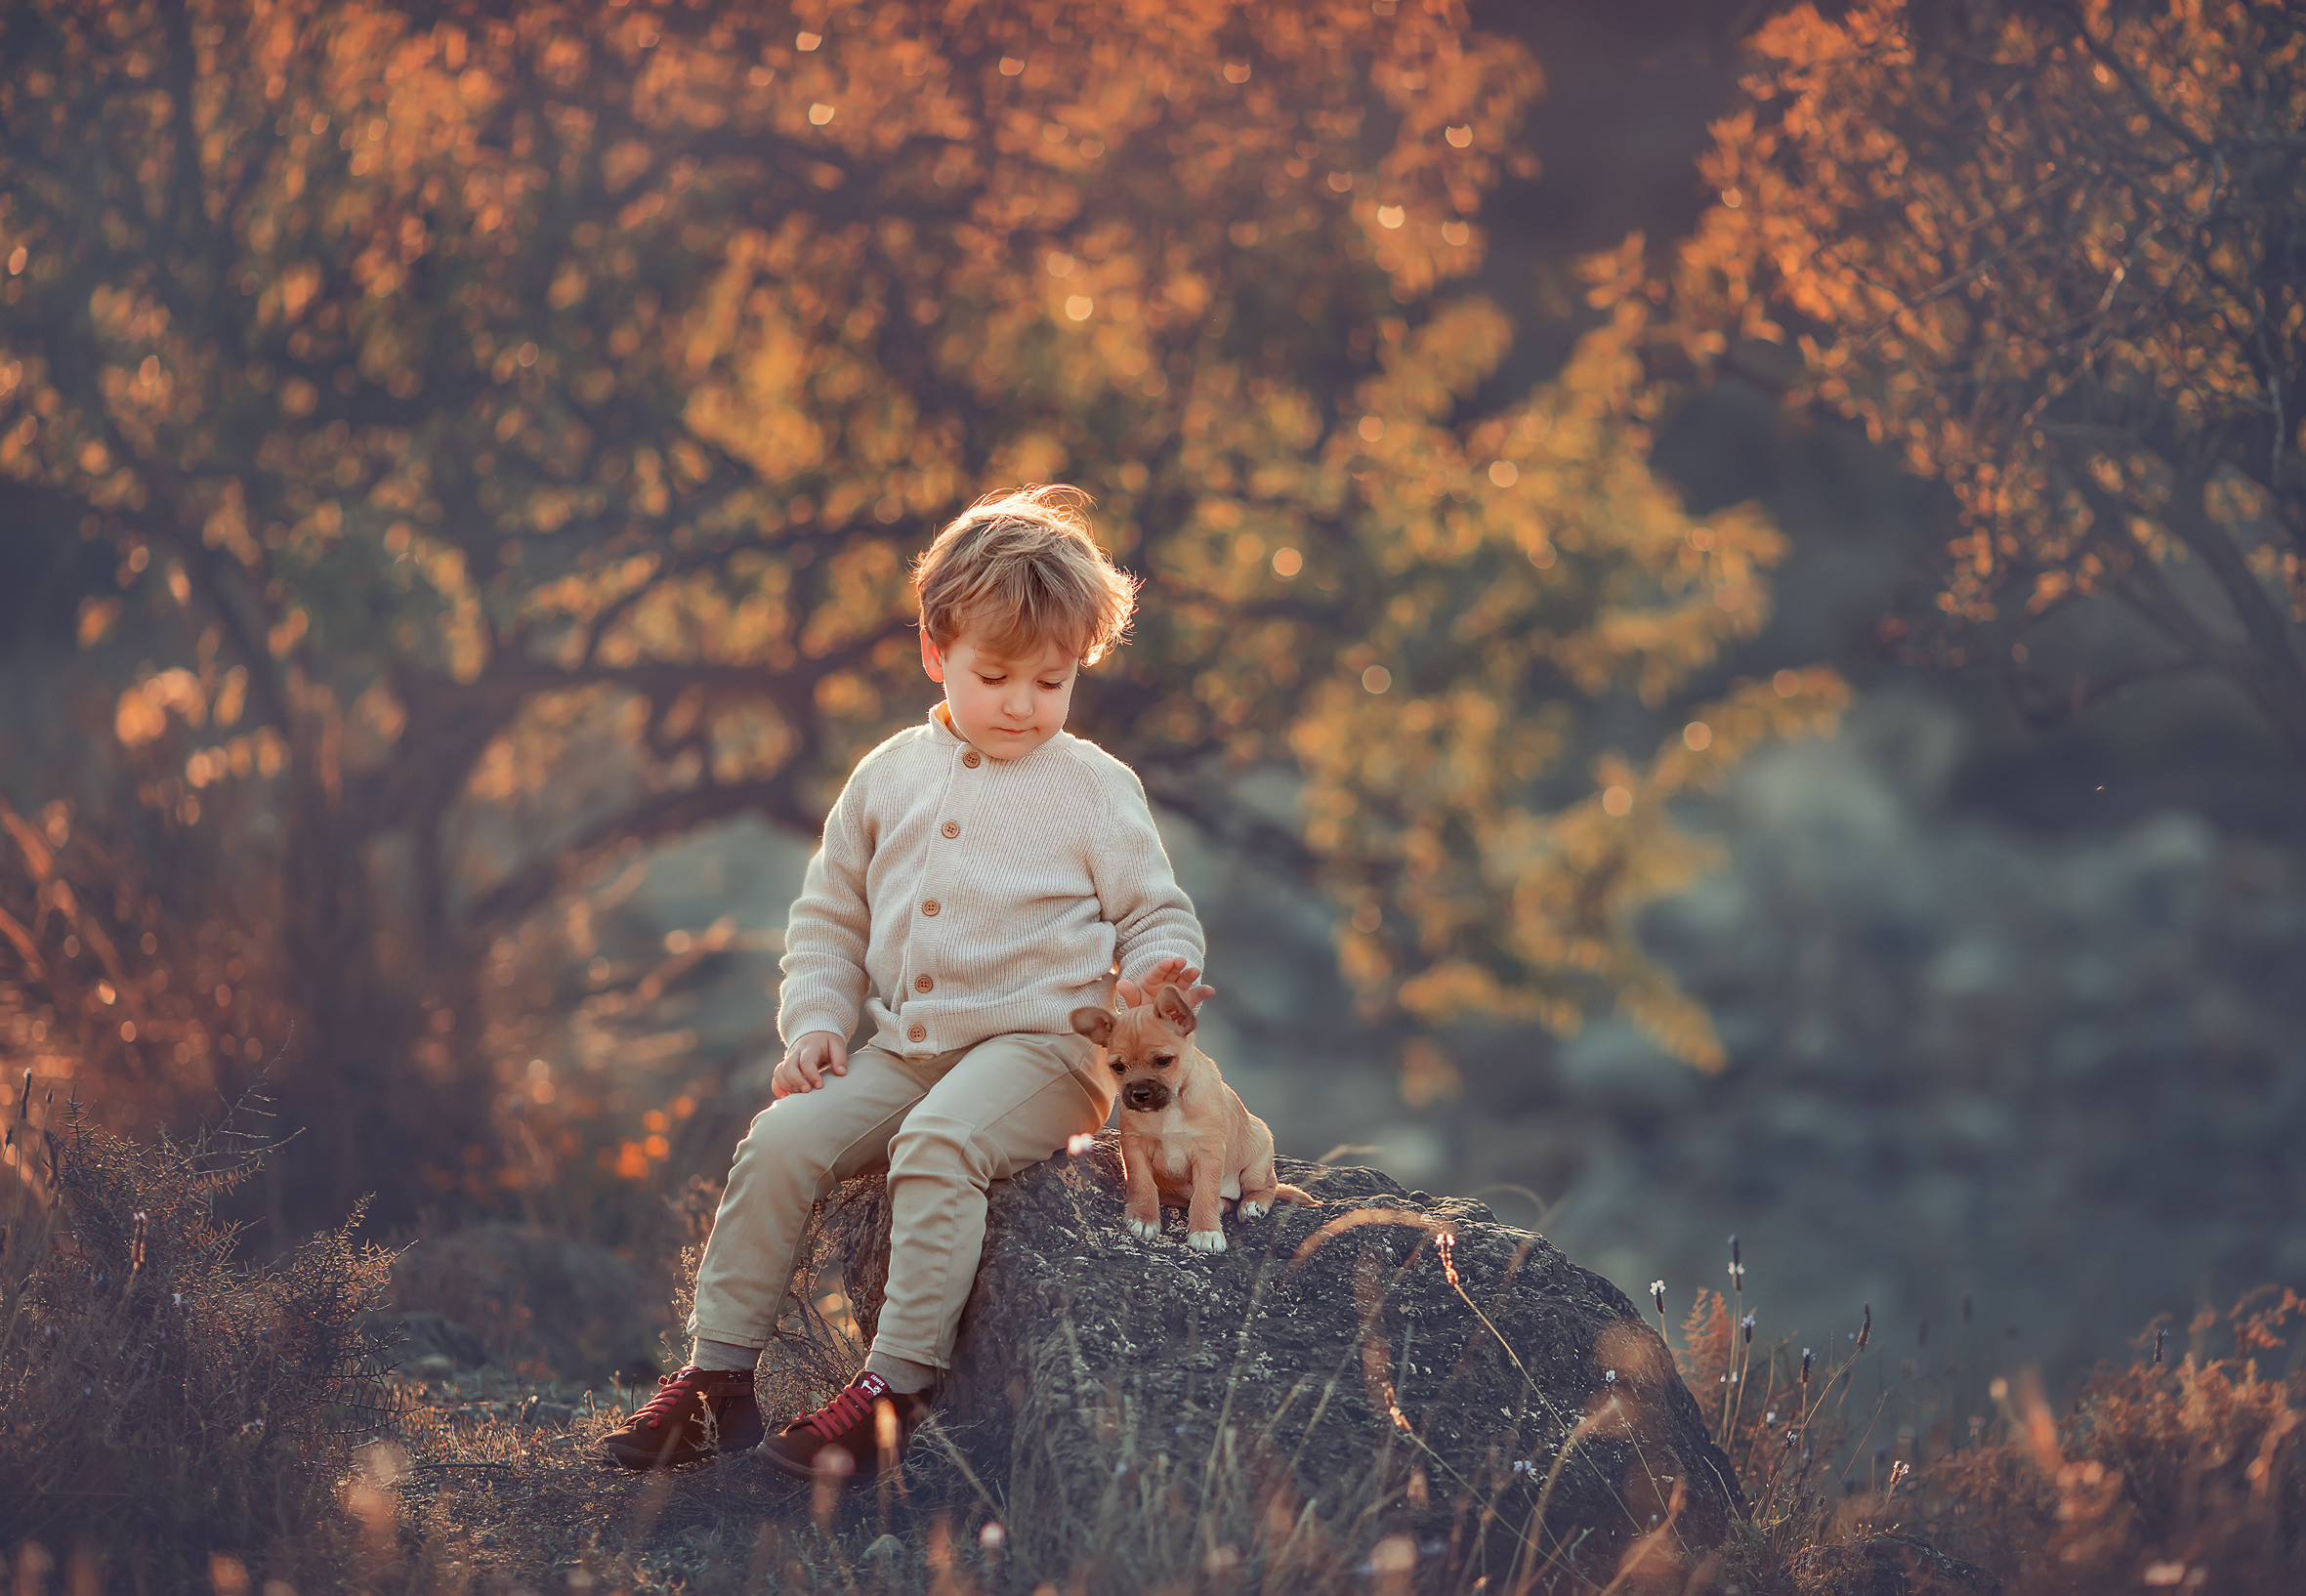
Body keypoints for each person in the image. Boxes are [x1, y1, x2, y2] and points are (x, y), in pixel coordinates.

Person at [599, 484, 1210, 1478]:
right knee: (782, 1139)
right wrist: (816, 1023)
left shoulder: (1095, 786)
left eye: (1051, 682)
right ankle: (718, 1382)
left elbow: (1155, 909)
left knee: (939, 1144)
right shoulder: (886, 775)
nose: (1022, 704)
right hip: (909, 1045)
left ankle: (897, 1385)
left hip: (1048, 1049)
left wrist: (1155, 975)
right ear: (936, 648)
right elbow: (829, 917)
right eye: (996, 673)